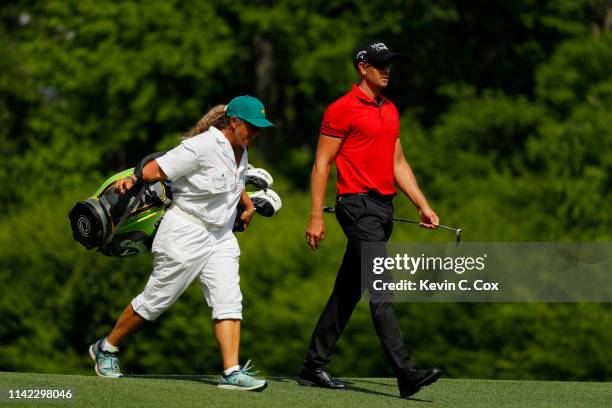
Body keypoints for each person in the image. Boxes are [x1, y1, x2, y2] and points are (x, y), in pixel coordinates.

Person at [89, 95, 274, 391]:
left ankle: (232, 371)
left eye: (260, 128)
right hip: (185, 232)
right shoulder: (202, 146)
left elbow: (233, 182)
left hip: (221, 236)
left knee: (229, 300)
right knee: (156, 300)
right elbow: (155, 169)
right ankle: (107, 347)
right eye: (252, 126)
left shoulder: (241, 148)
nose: (256, 132)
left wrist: (248, 204)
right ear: (235, 122)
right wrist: (134, 179)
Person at [298, 40, 442, 398]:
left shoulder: (390, 109)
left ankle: (313, 365)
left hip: (383, 209)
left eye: (389, 64)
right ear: (362, 67)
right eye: (379, 64)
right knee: (381, 288)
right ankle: (405, 372)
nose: (386, 70)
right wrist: (316, 216)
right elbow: (321, 164)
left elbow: (398, 163)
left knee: (349, 288)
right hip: (357, 207)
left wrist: (422, 204)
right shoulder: (341, 109)